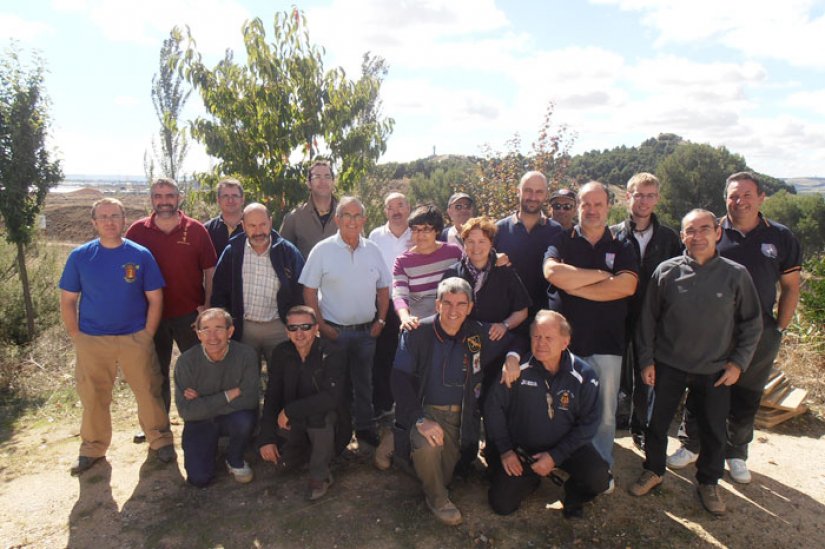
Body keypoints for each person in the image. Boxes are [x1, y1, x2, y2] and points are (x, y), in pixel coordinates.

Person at [668, 172, 802, 484]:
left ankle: (736, 452)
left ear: (761, 198)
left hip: (759, 331)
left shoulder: (780, 237)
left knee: (747, 392)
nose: (739, 201)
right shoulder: (710, 230)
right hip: (712, 329)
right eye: (733, 195)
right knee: (701, 387)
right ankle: (691, 445)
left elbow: (791, 287)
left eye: (746, 195)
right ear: (725, 198)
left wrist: (778, 328)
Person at [630, 209, 762, 516]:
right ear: (682, 237)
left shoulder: (736, 274)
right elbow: (647, 321)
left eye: (705, 229)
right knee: (655, 424)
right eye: (690, 230)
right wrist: (647, 361)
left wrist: (737, 364)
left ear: (718, 233)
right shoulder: (667, 271)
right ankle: (653, 470)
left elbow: (752, 324)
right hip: (668, 364)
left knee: (714, 430)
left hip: (715, 369)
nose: (697, 236)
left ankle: (708, 482)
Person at [391, 277, 523, 526]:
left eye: (461, 304)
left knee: (448, 474)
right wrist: (419, 419)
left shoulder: (478, 333)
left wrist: (513, 357)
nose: (454, 311)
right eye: (447, 303)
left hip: (462, 419)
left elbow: (518, 340)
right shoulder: (417, 332)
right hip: (426, 412)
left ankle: (397, 444)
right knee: (428, 448)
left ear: (470, 307)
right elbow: (398, 381)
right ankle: (438, 499)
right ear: (437, 304)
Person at [59, 198, 174, 475]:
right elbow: (68, 300)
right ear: (94, 222)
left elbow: (155, 299)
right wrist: (77, 335)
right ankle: (92, 448)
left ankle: (159, 440)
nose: (109, 221)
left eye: (115, 216)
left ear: (124, 220)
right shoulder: (80, 256)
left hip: (134, 337)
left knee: (148, 390)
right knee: (94, 396)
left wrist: (147, 334)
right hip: (93, 339)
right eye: (103, 216)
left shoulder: (140, 254)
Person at [542, 181, 638, 472]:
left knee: (605, 413)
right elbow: (552, 272)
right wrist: (599, 275)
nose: (592, 210)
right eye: (586, 204)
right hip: (564, 346)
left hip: (607, 343)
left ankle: (599, 468)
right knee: (561, 408)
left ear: (609, 206)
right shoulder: (563, 239)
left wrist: (575, 286)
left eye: (598, 204)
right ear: (578, 207)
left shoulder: (622, 244)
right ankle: (563, 465)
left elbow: (627, 285)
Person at [485, 310, 609, 519]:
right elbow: (492, 407)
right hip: (522, 450)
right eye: (536, 337)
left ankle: (574, 494)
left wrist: (555, 456)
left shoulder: (584, 375)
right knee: (501, 504)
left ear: (565, 342)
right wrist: (506, 450)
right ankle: (530, 479)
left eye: (549, 337)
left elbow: (589, 423)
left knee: (599, 478)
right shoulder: (516, 370)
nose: (541, 343)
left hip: (566, 447)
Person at [300, 196, 392, 447]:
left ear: (364, 220)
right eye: (346, 216)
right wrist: (320, 326)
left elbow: (384, 288)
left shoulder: (373, 250)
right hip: (334, 333)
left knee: (365, 384)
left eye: (357, 216)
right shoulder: (323, 250)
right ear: (338, 219)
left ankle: (364, 429)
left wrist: (381, 322)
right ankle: (340, 433)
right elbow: (309, 291)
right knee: (335, 386)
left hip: (366, 333)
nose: (352, 221)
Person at [126, 177, 218, 426]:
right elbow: (127, 271)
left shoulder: (196, 229)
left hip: (190, 315)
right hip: (150, 317)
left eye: (169, 196)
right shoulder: (137, 231)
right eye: (158, 196)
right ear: (151, 199)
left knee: (196, 370)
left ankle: (199, 421)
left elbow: (210, 270)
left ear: (179, 198)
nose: (164, 201)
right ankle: (156, 426)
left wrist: (207, 307)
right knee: (155, 374)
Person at [610, 173, 681, 449]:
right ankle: (616, 421)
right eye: (639, 194)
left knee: (646, 374)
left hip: (653, 318)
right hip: (617, 314)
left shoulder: (670, 239)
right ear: (628, 196)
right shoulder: (613, 235)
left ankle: (640, 427)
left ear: (658, 199)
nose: (644, 201)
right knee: (616, 371)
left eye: (650, 195)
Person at [257, 306, 349, 501]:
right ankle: (304, 455)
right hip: (294, 421)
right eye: (293, 328)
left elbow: (330, 398)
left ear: (316, 328)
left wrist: (290, 411)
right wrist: (266, 438)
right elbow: (272, 395)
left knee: (319, 418)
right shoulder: (282, 353)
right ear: (286, 331)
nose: (299, 333)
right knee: (283, 465)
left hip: (327, 421)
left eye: (305, 327)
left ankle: (320, 476)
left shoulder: (332, 353)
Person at [211, 203, 305, 367]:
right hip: (243, 327)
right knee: (245, 379)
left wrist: (295, 325)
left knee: (283, 376)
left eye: (263, 224)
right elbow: (219, 291)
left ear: (270, 222)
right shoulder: (232, 252)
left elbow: (300, 292)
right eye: (252, 225)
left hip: (278, 326)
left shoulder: (288, 252)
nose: (258, 231)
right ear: (243, 226)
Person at [174, 308, 259, 487]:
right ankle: (209, 449)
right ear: (198, 334)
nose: (213, 336)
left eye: (219, 329)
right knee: (199, 479)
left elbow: (250, 399)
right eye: (206, 330)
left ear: (230, 331)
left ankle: (234, 458)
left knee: (245, 419)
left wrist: (202, 400)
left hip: (233, 418)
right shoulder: (186, 362)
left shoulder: (246, 355)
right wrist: (230, 394)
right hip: (200, 422)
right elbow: (187, 412)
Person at [494, 171, 563, 324]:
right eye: (528, 190)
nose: (533, 197)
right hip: (507, 320)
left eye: (539, 192)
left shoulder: (556, 231)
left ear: (546, 195)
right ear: (518, 191)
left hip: (544, 321)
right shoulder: (499, 229)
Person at [368, 192, 413, 423]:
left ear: (408, 207)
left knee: (409, 355)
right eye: (391, 207)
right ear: (385, 211)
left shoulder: (417, 233)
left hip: (411, 305)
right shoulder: (376, 235)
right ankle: (383, 404)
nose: (396, 211)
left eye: (401, 205)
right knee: (382, 356)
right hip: (382, 303)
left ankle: (409, 406)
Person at [393, 204, 463, 332]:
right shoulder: (402, 261)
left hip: (451, 326)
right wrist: (405, 317)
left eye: (426, 229)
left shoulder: (454, 253)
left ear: (436, 230)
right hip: (418, 327)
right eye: (415, 229)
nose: (419, 235)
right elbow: (399, 295)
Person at [280, 160, 339, 259]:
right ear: (308, 183)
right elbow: (282, 257)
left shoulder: (348, 215)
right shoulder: (294, 219)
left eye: (327, 176)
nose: (323, 181)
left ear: (333, 182)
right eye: (317, 177)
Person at [204, 177, 245, 258]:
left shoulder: (254, 227)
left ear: (242, 200)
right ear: (218, 200)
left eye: (235, 196)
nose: (230, 200)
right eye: (225, 196)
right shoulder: (207, 230)